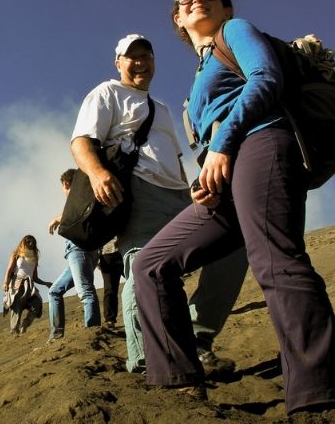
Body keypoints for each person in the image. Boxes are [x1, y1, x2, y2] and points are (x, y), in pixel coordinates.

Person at [131, 0, 335, 411]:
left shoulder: (233, 32)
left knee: (275, 259)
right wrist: (204, 178)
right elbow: (209, 140)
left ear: (226, 7)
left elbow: (265, 79)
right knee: (151, 265)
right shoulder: (195, 84)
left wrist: (221, 145)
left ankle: (321, 394)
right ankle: (176, 382)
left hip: (263, 142)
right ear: (179, 18)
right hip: (226, 177)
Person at [70, 33, 248, 374]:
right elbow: (81, 141)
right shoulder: (107, 93)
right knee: (142, 265)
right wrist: (96, 173)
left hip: (180, 196)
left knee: (232, 246)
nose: (140, 62)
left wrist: (192, 187)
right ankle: (147, 357)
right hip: (140, 192)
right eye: (131, 57)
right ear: (118, 63)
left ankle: (196, 338)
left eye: (146, 56)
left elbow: (174, 158)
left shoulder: (162, 109)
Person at [47, 169, 102, 341]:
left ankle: (92, 331)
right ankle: (56, 335)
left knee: (85, 291)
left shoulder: (80, 198)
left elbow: (77, 212)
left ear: (66, 184)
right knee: (54, 291)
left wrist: (57, 218)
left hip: (80, 251)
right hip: (80, 252)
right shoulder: (84, 197)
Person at [2, 235, 52, 336]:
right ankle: (14, 331)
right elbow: (9, 269)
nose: (30, 243)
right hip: (17, 282)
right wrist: (5, 283)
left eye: (32, 242)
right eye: (28, 241)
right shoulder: (16, 254)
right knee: (17, 306)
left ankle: (25, 324)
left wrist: (45, 283)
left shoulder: (34, 258)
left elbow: (35, 277)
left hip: (29, 285)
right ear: (23, 242)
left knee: (37, 303)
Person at [97, 241, 123, 328]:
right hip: (106, 255)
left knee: (138, 282)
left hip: (124, 250)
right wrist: (97, 258)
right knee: (110, 288)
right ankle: (110, 319)